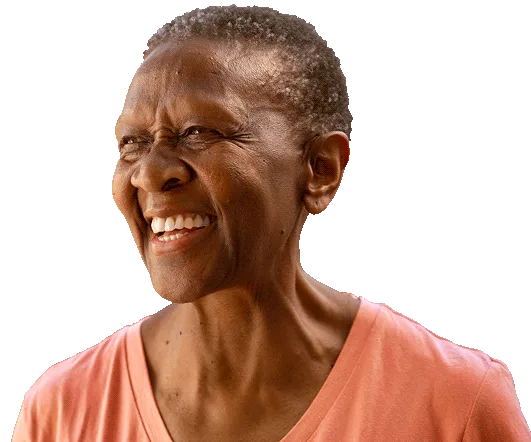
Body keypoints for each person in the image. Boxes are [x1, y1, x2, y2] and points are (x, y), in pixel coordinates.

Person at [12, 5, 530, 441]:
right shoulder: (60, 414)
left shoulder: (453, 405)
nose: (149, 173)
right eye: (132, 143)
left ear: (320, 169)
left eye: (198, 131)